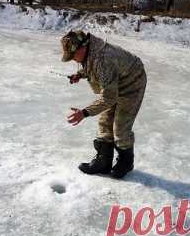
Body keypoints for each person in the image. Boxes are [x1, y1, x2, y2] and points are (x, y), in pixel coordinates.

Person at [61, 30, 147, 179]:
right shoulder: (90, 51)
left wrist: (84, 112)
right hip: (116, 79)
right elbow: (90, 64)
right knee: (105, 122)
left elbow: (108, 98)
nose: (74, 60)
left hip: (133, 82)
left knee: (120, 127)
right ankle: (103, 162)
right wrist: (80, 74)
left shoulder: (103, 59)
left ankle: (126, 163)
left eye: (73, 56)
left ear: (82, 47)